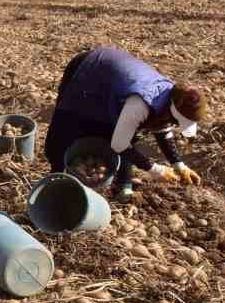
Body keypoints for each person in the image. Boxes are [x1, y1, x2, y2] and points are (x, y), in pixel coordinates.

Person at [44, 46, 206, 200]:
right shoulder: (140, 102)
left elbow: (164, 130)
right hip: (88, 69)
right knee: (66, 128)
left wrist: (179, 165)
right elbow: (120, 144)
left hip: (113, 82)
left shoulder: (172, 99)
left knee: (122, 130)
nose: (175, 124)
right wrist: (157, 170)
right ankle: (56, 180)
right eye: (176, 121)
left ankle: (123, 184)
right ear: (172, 111)